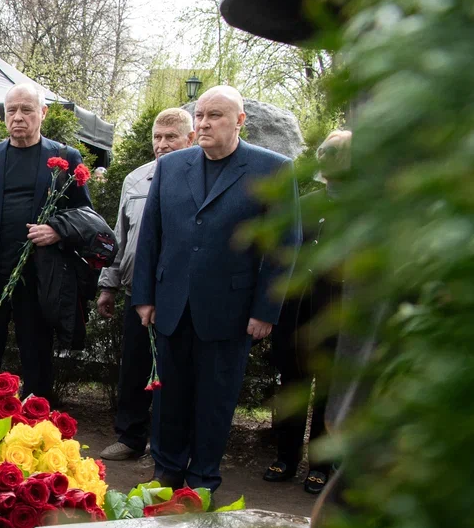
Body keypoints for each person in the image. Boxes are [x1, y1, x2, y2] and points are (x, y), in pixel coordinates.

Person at [131, 85, 302, 492]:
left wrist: (265, 310)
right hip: (172, 305)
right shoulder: (172, 166)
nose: (204, 123)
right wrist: (144, 296)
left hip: (231, 310)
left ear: (240, 121)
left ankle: (202, 479)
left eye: (216, 115)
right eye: (201, 115)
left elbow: (283, 246)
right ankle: (166, 472)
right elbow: (151, 235)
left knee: (215, 400)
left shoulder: (273, 170)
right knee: (169, 397)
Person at [0, 83, 91, 401]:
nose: (18, 117)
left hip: (38, 280)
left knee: (37, 359)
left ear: (43, 112)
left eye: (27, 110)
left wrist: (57, 230)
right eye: (11, 110)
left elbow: (85, 217)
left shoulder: (65, 157)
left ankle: (38, 421)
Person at [97, 108, 196, 460]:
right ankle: (130, 437)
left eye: (171, 137)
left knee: (176, 370)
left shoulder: (199, 179)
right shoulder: (135, 180)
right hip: (137, 290)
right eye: (157, 137)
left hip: (179, 294)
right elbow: (120, 237)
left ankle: (169, 443)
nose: (162, 144)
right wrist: (108, 285)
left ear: (190, 139)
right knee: (135, 368)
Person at [265, 129, 350, 494]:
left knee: (329, 391)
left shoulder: (366, 211)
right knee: (292, 384)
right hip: (296, 311)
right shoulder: (306, 203)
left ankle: (321, 465)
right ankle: (286, 457)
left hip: (338, 314)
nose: (328, 159)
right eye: (325, 152)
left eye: (338, 153)